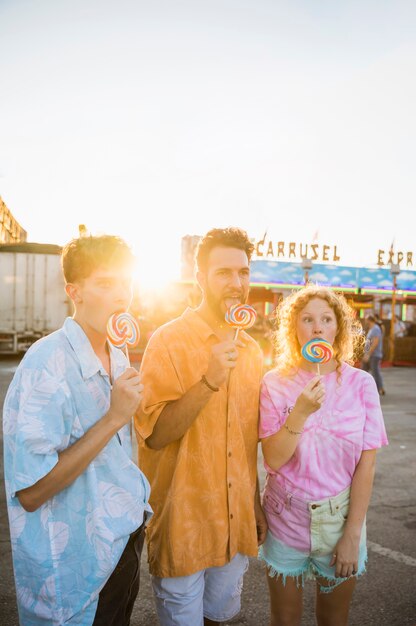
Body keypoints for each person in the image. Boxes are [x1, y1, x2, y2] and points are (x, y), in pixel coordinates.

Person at [3, 235, 152, 626]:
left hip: (123, 545)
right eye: (106, 283)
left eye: (126, 282)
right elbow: (31, 493)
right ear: (75, 292)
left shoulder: (119, 357)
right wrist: (113, 418)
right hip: (77, 574)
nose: (121, 295)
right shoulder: (46, 363)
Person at [135, 227, 267, 626]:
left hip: (234, 522)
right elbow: (155, 435)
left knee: (223, 619)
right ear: (200, 279)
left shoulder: (253, 351)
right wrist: (208, 379)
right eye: (224, 273)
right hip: (183, 524)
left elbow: (246, 440)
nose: (237, 283)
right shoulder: (168, 341)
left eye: (243, 272)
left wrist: (255, 503)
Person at [258, 286, 388, 626]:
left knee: (334, 620)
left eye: (326, 319)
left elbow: (367, 463)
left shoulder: (361, 384)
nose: (318, 327)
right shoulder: (274, 383)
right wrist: (299, 412)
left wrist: (352, 534)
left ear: (337, 329)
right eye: (308, 319)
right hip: (284, 517)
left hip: (339, 519)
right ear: (294, 329)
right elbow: (272, 460)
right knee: (284, 619)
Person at [362, 314, 385, 396]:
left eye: (366, 319)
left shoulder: (375, 329)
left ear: (369, 320)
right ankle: (363, 389)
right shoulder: (371, 329)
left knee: (375, 372)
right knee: (364, 371)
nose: (365, 321)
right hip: (369, 354)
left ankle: (379, 389)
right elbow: (368, 342)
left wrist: (368, 354)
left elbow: (375, 342)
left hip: (374, 355)